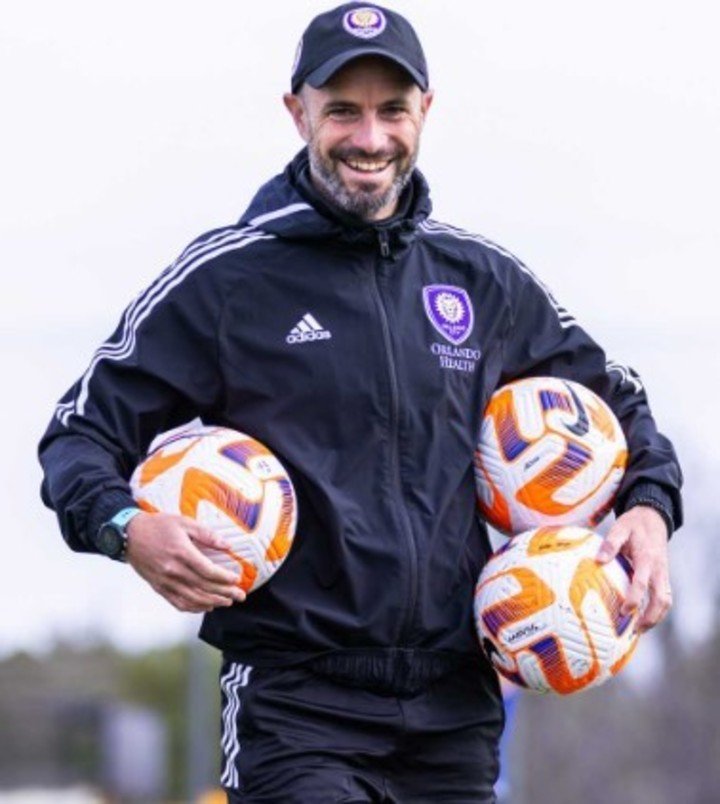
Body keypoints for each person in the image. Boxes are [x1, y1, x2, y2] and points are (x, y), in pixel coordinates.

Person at [38, 4, 683, 802]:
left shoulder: (483, 282)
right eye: (343, 109)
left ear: (426, 112)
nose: (369, 138)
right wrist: (127, 529)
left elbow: (619, 403)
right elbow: (77, 436)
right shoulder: (225, 282)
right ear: (297, 110)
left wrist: (649, 508)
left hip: (455, 711)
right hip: (298, 706)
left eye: (392, 111)